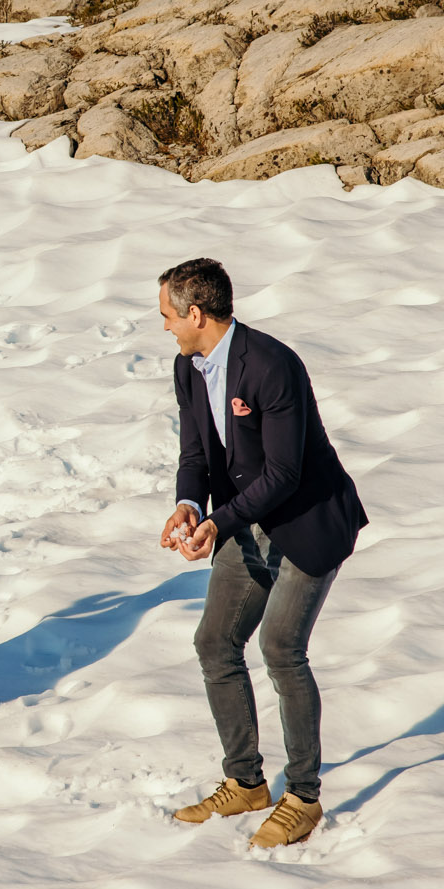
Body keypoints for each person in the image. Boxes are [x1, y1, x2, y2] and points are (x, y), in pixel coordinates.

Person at [157, 258, 367, 848]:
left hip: (307, 523)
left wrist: (220, 521)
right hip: (245, 520)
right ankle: (246, 782)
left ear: (195, 313)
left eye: (169, 316)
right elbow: (195, 451)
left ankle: (302, 795)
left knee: (280, 647)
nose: (166, 326)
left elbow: (284, 473)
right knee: (214, 642)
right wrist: (188, 505)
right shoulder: (188, 367)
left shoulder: (272, 366)